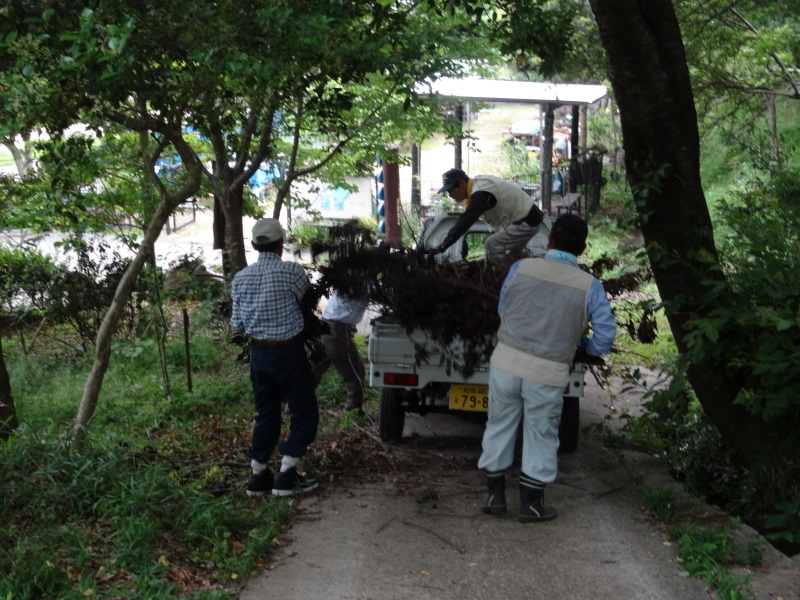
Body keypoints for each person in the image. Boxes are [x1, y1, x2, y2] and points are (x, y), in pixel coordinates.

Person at [477, 213, 616, 523]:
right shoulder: (589, 286)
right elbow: (605, 336)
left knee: (499, 425)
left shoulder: (520, 268)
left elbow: (504, 309)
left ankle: (494, 495)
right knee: (540, 433)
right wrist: (586, 348)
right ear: (581, 250)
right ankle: (531, 504)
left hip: (506, 364)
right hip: (548, 372)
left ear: (550, 240)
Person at [230, 218, 319, 497]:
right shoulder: (292, 272)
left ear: (255, 245)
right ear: (281, 244)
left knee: (266, 414)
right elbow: (308, 302)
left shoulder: (240, 279)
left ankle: (258, 477)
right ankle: (286, 474)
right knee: (304, 412)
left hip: (260, 355)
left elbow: (238, 326)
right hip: (289, 353)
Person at [432, 168, 551, 262]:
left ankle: (498, 274)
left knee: (492, 244)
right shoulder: (479, 187)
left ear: (462, 183)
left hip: (527, 220)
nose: (450, 195)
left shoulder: (480, 193)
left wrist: (444, 245)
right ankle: (514, 272)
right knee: (513, 256)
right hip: (527, 219)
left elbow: (465, 221)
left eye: (450, 190)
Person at [311, 290, 368, 413]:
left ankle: (294, 403)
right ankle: (354, 403)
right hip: (334, 328)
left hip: (334, 326)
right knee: (348, 367)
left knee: (318, 367)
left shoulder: (357, 276)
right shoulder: (358, 278)